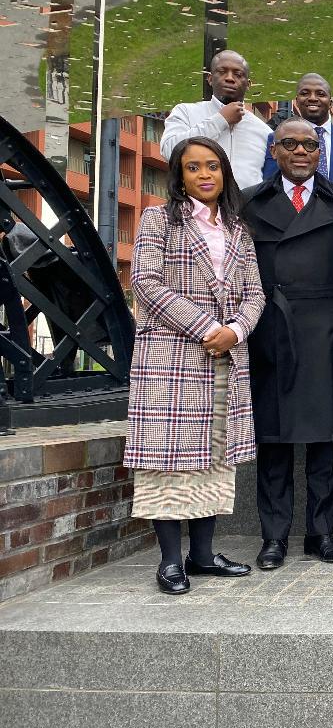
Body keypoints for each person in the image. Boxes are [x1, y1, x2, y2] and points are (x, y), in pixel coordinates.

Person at [124, 136, 266, 595]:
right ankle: (170, 561)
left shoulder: (238, 228)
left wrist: (236, 330)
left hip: (226, 360)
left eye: (212, 166)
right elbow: (145, 283)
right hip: (172, 359)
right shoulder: (159, 219)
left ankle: (202, 555)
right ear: (179, 176)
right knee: (166, 460)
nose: (204, 174)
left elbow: (255, 293)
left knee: (215, 458)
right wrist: (208, 328)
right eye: (193, 167)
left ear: (224, 172)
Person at [243, 118, 333, 570]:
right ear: (273, 151)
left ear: (320, 152)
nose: (300, 151)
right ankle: (273, 536)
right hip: (271, 329)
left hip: (328, 330)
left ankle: (321, 533)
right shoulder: (248, 203)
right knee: (273, 440)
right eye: (289, 143)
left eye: (309, 145)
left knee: (324, 438)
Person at [160, 50, 271, 189]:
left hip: (246, 203)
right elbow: (169, 151)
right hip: (194, 202)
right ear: (210, 79)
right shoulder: (185, 112)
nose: (229, 78)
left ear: (248, 84)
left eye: (238, 74)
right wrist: (220, 120)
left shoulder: (264, 131)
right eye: (222, 72)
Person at [261, 73, 333, 186]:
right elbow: (271, 181)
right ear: (297, 101)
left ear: (330, 103)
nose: (312, 98)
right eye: (305, 93)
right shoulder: (276, 137)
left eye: (320, 94)